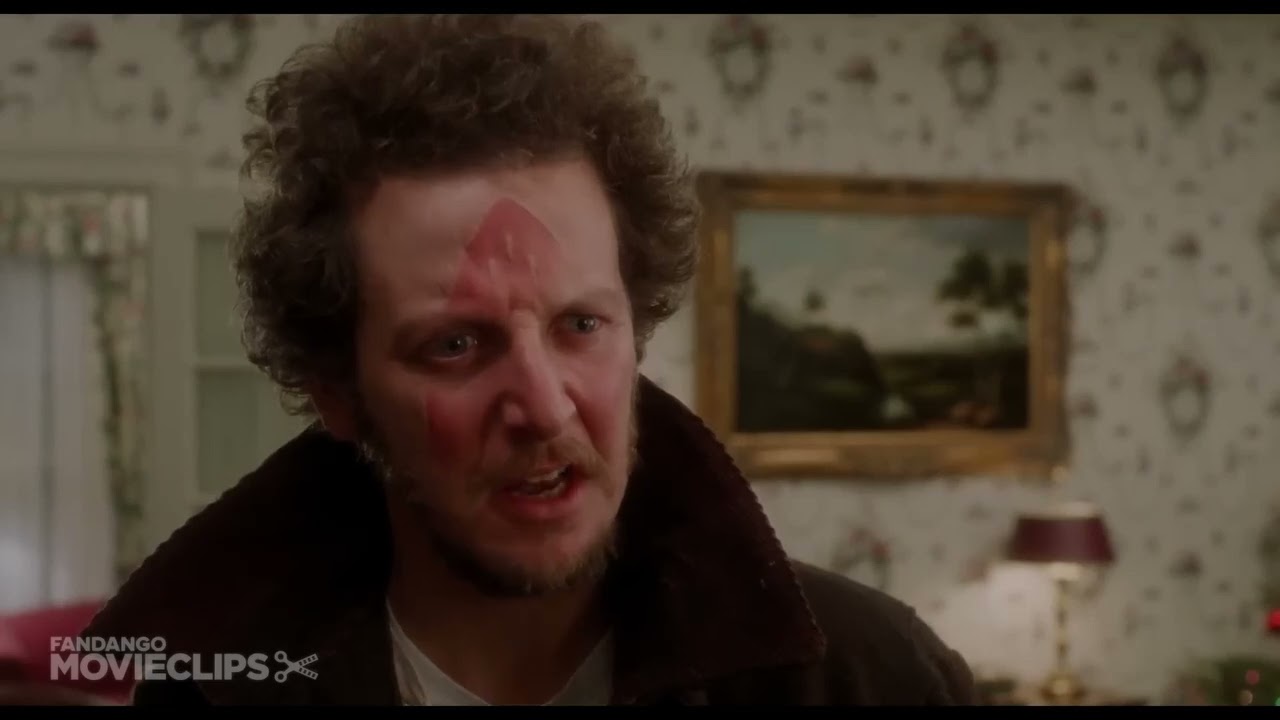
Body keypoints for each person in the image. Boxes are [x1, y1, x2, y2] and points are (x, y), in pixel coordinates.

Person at [83, 14, 977, 706]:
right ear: (340, 396)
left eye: (581, 325)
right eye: (455, 345)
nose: (545, 408)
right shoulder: (220, 690)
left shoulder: (868, 679)